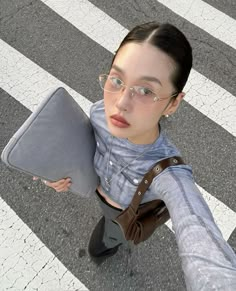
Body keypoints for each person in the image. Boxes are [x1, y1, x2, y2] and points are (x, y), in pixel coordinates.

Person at [33, 22, 236, 289]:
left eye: (146, 90)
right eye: (117, 80)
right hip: (96, 191)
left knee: (103, 244)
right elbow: (80, 146)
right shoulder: (99, 113)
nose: (120, 103)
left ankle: (111, 242)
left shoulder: (169, 173)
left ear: (173, 103)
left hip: (125, 214)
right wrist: (58, 172)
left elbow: (200, 236)